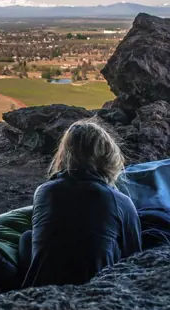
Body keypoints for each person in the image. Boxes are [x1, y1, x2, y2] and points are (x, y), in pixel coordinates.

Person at [20, 117, 142, 288]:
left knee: (27, 238)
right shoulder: (121, 201)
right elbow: (135, 256)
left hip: (39, 289)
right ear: (109, 156)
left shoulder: (44, 191)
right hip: (96, 290)